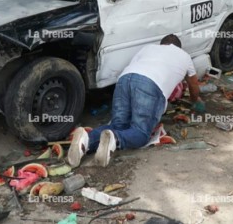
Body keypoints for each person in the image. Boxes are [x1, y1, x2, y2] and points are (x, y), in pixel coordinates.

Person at [67, 34, 203, 167]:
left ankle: (85, 141)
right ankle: (115, 139)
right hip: (151, 84)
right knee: (141, 133)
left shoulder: (148, 48)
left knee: (118, 125)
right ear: (179, 47)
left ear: (162, 44)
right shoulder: (184, 56)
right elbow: (193, 85)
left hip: (125, 79)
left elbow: (134, 71)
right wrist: (195, 100)